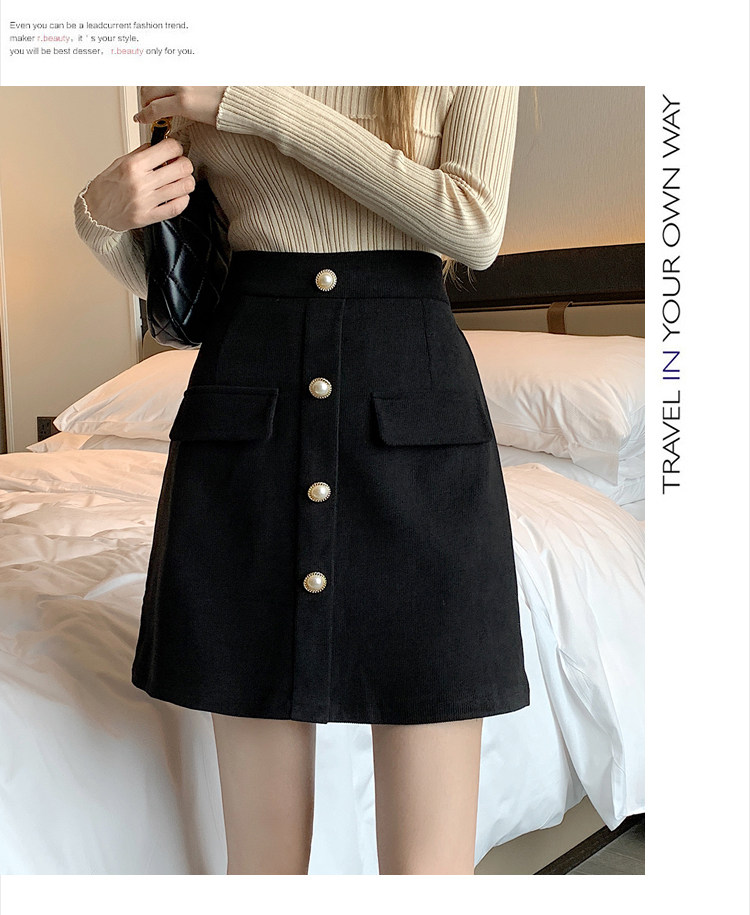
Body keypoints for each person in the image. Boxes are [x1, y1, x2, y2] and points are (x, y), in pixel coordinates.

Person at [74, 85, 531, 876]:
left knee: (428, 872)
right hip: (247, 420)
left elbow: (473, 226)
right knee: (262, 867)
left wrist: (251, 104)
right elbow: (183, 289)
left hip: (417, 437)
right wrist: (97, 217)